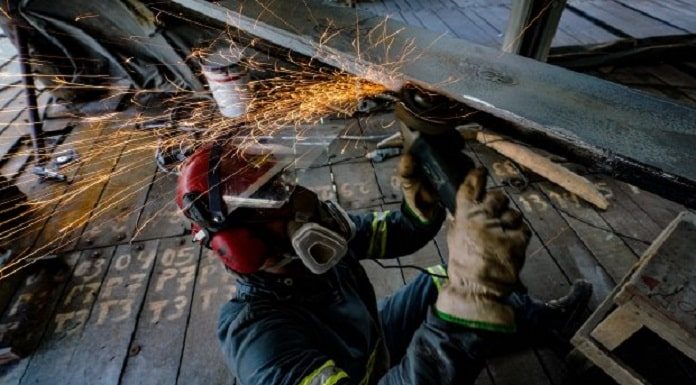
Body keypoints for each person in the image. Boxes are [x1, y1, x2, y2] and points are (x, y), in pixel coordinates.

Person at [176, 143, 592, 385]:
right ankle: (483, 326)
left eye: (285, 183)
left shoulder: (314, 244)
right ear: (242, 244)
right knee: (465, 301)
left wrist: (419, 206)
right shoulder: (258, 339)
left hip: (371, 347)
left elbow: (395, 233)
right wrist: (469, 304)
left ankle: (545, 324)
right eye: (276, 197)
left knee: (446, 280)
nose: (302, 199)